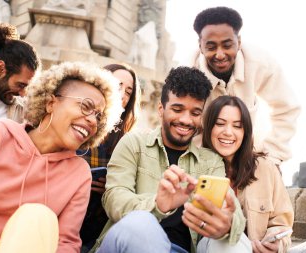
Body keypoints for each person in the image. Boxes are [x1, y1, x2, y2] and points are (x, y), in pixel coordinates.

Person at [0, 61, 123, 253]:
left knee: (38, 216)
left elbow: (66, 243)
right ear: (51, 103)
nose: (93, 121)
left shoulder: (79, 174)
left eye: (99, 117)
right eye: (86, 106)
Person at [90, 66, 250, 253]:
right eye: (177, 109)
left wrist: (228, 224)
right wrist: (158, 205)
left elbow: (232, 208)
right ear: (161, 109)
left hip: (184, 249)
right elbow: (114, 199)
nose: (186, 120)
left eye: (195, 113)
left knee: (231, 242)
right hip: (130, 245)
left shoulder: (211, 161)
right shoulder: (134, 143)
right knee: (142, 222)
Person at [202, 95, 306, 253]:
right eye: (220, 124)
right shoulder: (197, 165)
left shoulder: (266, 168)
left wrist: (275, 244)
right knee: (227, 243)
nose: (228, 132)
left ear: (245, 132)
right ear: (209, 127)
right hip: (219, 246)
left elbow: (282, 223)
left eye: (237, 126)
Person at [191, 6, 301, 166]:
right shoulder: (188, 70)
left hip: (251, 157)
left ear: (239, 42)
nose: (220, 54)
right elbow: (183, 123)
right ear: (200, 46)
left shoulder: (261, 63)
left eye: (227, 45)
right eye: (211, 47)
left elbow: (287, 109)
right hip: (205, 160)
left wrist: (272, 157)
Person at [79, 63, 140, 252]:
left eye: (129, 92)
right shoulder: (76, 120)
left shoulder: (128, 141)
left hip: (96, 228)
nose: (122, 94)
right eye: (118, 85)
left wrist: (113, 185)